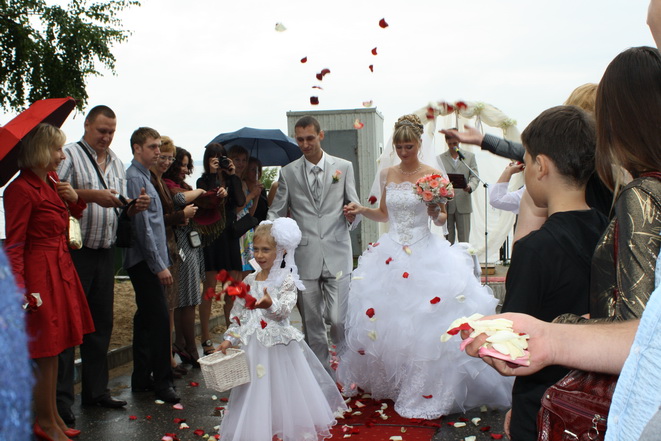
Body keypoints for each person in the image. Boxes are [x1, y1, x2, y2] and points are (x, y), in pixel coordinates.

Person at [338, 114, 512, 419]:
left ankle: (422, 383)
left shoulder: (433, 175)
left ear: (419, 144)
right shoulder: (387, 173)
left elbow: (442, 219)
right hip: (390, 252)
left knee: (423, 322)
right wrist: (363, 210)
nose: (404, 152)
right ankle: (394, 381)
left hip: (424, 250)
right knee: (389, 322)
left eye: (409, 146)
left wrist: (435, 211)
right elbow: (384, 214)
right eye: (399, 147)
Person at [499, 105, 609, 440]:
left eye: (527, 160)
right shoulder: (611, 229)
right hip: (597, 401)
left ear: (541, 166)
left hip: (543, 402)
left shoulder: (534, 249)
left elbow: (512, 343)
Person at [56, 105, 148, 422]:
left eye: (111, 132)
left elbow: (118, 206)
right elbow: (55, 193)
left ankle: (96, 392)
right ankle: (61, 400)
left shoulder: (117, 163)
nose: (106, 137)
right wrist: (93, 195)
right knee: (70, 326)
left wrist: (132, 206)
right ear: (87, 126)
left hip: (105, 250)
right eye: (102, 131)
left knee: (100, 324)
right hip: (75, 251)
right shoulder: (69, 154)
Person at [216, 218, 347, 440]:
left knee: (280, 389)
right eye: (256, 249)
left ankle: (284, 424)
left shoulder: (286, 280)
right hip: (253, 348)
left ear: (281, 251)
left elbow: (284, 311)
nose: (259, 255)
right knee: (254, 388)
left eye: (266, 250)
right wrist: (230, 339)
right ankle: (257, 428)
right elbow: (239, 316)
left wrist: (270, 305)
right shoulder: (248, 281)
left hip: (278, 347)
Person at [5, 123, 94, 440]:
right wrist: (19, 290)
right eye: (57, 149)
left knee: (56, 348)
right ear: (40, 150)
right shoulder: (20, 189)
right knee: (44, 350)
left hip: (59, 269)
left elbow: (69, 218)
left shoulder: (52, 181)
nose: (62, 155)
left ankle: (52, 417)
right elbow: (14, 244)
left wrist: (74, 198)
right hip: (39, 275)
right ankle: (44, 422)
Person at [268, 115, 361, 374]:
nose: (305, 144)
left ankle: (346, 370)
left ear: (321, 135)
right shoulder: (288, 172)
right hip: (304, 255)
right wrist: (269, 231)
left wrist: (353, 216)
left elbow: (354, 204)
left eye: (310, 138)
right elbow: (277, 210)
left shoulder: (344, 166)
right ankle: (322, 376)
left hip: (338, 251)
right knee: (312, 323)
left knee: (338, 319)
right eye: (300, 140)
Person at [124, 127, 179, 404]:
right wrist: (159, 265)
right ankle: (162, 382)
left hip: (151, 259)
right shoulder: (135, 177)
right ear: (137, 148)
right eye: (153, 147)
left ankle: (142, 378)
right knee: (158, 321)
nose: (158, 151)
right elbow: (143, 226)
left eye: (159, 146)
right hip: (145, 261)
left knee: (146, 320)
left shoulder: (145, 175)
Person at [149, 137, 198, 377]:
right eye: (164, 157)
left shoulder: (160, 181)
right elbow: (157, 219)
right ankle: (167, 358)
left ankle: (171, 355)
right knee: (167, 307)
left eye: (170, 158)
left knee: (172, 306)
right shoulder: (155, 181)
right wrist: (182, 215)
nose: (167, 162)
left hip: (172, 247)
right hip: (166, 248)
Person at [197, 143, 245, 355]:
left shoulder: (232, 179)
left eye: (221, 157)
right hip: (212, 238)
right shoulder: (202, 181)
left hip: (230, 237)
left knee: (232, 291)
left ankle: (231, 337)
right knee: (209, 289)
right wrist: (212, 175)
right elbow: (205, 203)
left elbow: (240, 201)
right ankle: (205, 337)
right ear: (207, 160)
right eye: (214, 157)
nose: (219, 161)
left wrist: (232, 176)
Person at [163, 146, 207, 367]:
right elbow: (180, 199)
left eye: (186, 165)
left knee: (185, 299)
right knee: (188, 299)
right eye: (179, 164)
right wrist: (200, 192)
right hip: (180, 245)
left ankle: (181, 343)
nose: (183, 168)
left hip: (190, 245)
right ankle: (189, 347)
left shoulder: (183, 186)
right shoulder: (167, 185)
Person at [438, 130, 480, 244]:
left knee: (464, 240)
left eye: (455, 143)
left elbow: (475, 176)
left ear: (459, 141)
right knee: (448, 240)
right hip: (447, 204)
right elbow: (437, 178)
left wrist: (470, 186)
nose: (453, 146)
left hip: (463, 202)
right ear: (446, 142)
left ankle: (464, 256)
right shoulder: (440, 158)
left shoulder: (469, 157)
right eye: (450, 144)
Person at [228, 145, 262, 276]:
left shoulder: (243, 183)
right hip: (236, 230)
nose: (241, 164)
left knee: (248, 273)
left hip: (246, 231)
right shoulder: (230, 182)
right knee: (236, 274)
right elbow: (236, 209)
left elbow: (250, 213)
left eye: (244, 160)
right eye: (237, 160)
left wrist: (256, 195)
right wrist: (252, 195)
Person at [247, 157, 269, 222]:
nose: (257, 173)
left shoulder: (262, 190)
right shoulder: (243, 188)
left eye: (258, 170)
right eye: (253, 169)